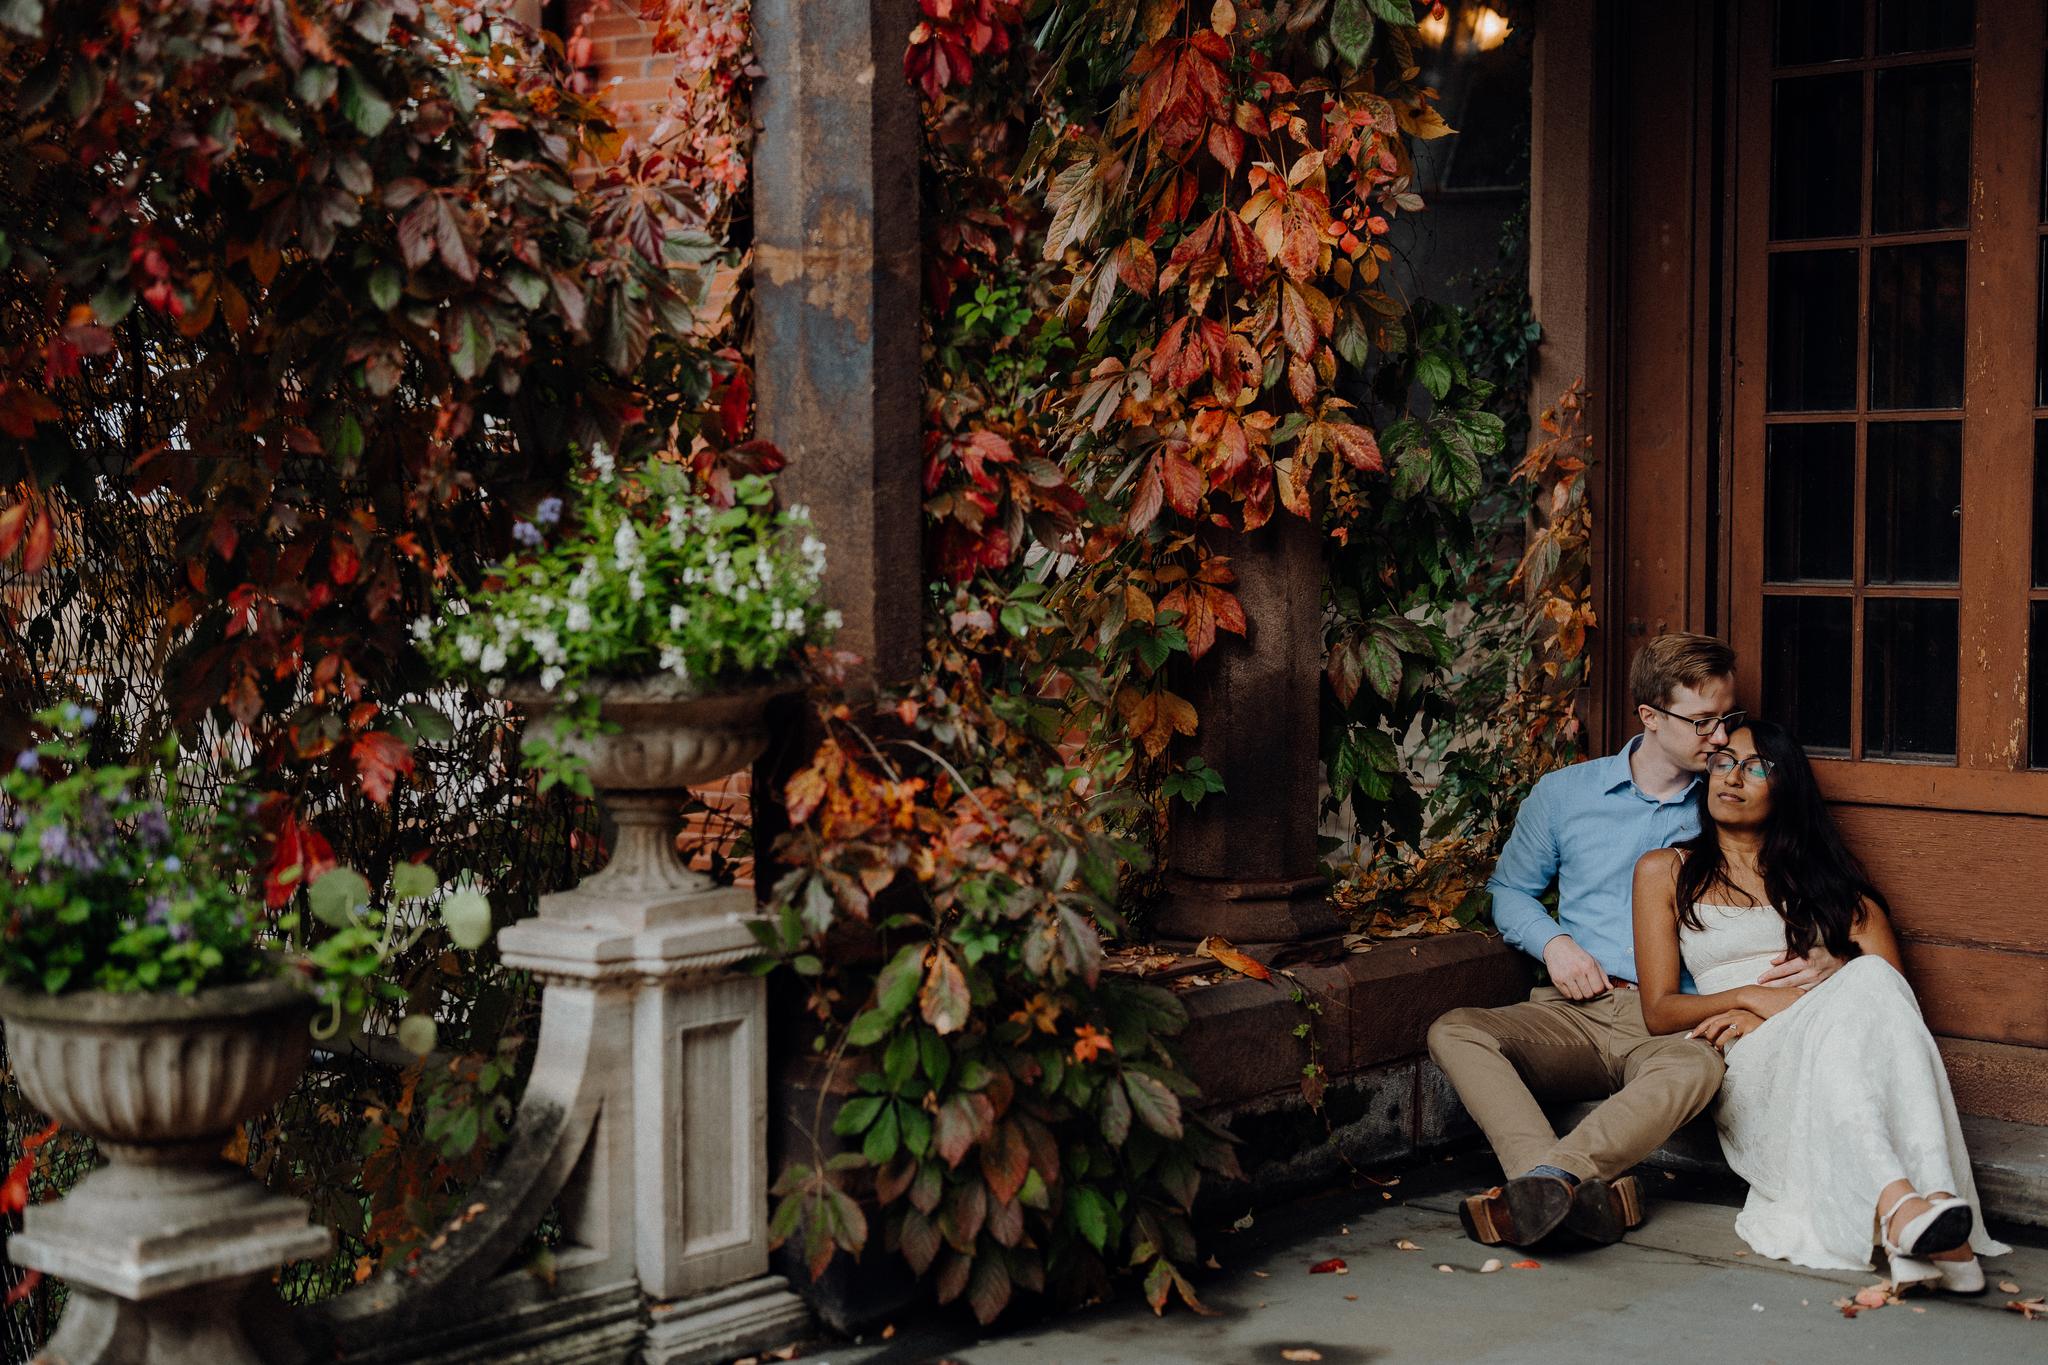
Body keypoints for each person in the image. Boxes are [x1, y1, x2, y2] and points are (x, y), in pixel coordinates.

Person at [1427, 633, 1830, 1249]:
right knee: (1455, 1029)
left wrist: (1824, 952)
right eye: (1702, 722)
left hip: (1676, 1021)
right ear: (1649, 717)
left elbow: (1804, 865)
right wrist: (1555, 945)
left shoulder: (1728, 797)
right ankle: (1556, 1182)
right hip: (1578, 1014)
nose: (1721, 740)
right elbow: (1509, 891)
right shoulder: (1565, 796)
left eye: (1728, 719)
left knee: (1698, 1068)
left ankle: (1543, 1189)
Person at [1631, 720, 2008, 1290]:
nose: (1733, 777)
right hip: (1748, 1053)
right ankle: (1921, 1216)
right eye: (1723, 761)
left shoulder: (1833, 886)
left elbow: (1893, 1007)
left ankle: (1917, 1211)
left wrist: (1835, 974)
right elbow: (1657, 1010)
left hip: (1832, 1038)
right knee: (1864, 984)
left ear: (1788, 788)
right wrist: (1751, 998)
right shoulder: (1666, 871)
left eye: (1756, 766)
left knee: (1872, 980)